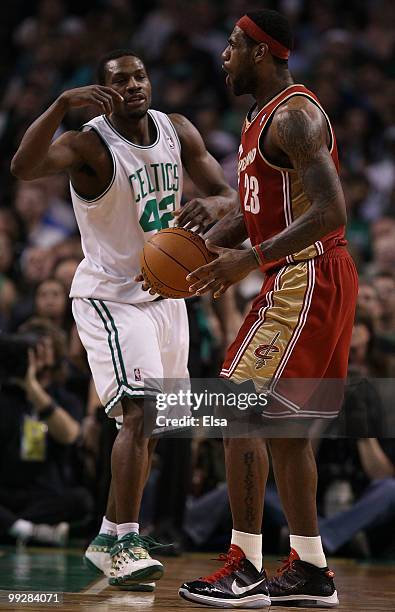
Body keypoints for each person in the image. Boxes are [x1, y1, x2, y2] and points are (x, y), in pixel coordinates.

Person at [11, 49, 237, 590]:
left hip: (166, 295)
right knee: (139, 413)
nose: (134, 85)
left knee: (155, 423)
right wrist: (62, 103)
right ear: (102, 90)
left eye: (140, 76)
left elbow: (226, 192)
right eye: (120, 80)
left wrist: (219, 207)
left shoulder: (176, 129)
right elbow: (23, 168)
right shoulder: (89, 142)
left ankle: (110, 536)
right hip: (111, 296)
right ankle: (127, 539)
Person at [178, 9, 357, 609]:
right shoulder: (259, 118)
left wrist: (247, 258)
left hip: (307, 277)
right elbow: (265, 211)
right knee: (283, 432)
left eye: (232, 45)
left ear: (260, 51)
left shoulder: (298, 116)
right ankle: (310, 568)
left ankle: (245, 567)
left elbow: (332, 210)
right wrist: (208, 246)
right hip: (303, 275)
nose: (223, 55)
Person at [0, 318, 90, 546]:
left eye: (43, 346)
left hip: (43, 492)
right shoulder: (5, 394)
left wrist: (33, 388)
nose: (35, 353)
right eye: (29, 346)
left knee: (81, 501)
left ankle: (12, 528)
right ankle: (29, 531)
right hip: (5, 490)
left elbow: (70, 435)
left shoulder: (64, 397)